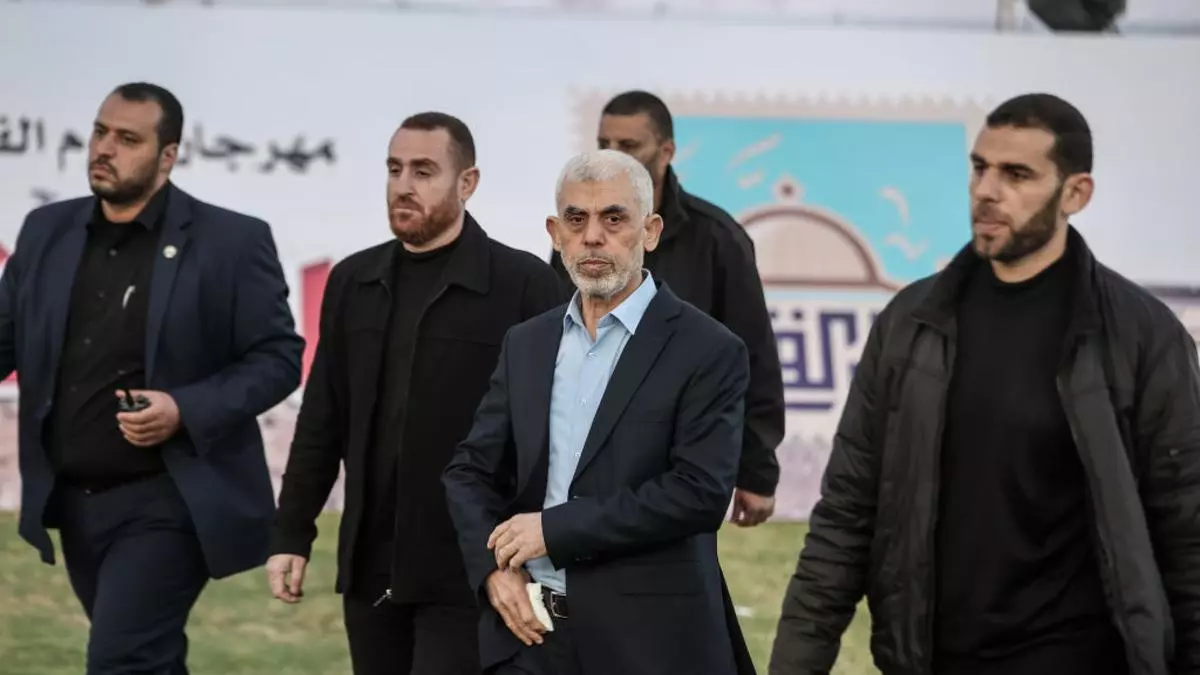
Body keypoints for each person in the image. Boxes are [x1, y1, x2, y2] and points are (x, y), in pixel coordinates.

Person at [769, 93, 1200, 675]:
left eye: (1016, 174)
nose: (987, 191)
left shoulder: (1142, 337)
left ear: (1076, 194)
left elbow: (1186, 531)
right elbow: (848, 512)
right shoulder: (911, 323)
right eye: (980, 168)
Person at [0, 82, 303, 674]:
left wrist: (184, 408)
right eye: (100, 132)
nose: (104, 149)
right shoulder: (46, 232)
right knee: (147, 662)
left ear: (168, 156)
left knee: (121, 660)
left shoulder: (231, 242)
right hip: (76, 502)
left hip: (170, 498)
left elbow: (278, 356)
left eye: (128, 139)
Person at [266, 112, 566, 675]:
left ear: (467, 182)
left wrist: (524, 555)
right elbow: (323, 419)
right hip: (371, 566)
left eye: (424, 171)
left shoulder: (524, 285)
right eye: (395, 169)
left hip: (471, 569)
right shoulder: (354, 282)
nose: (404, 185)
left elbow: (550, 437)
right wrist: (292, 533)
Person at [443, 148, 756, 675]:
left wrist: (556, 529)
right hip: (529, 642)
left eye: (614, 218)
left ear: (650, 230)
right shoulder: (527, 343)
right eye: (576, 219)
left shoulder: (709, 349)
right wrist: (492, 572)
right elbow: (469, 470)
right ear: (555, 232)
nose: (593, 236)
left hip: (647, 647)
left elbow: (699, 493)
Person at [551, 90, 784, 527]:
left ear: (667, 151)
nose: (613, 156)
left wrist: (757, 470)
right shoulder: (576, 238)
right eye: (604, 144)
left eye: (629, 146)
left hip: (683, 458)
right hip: (585, 451)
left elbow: (754, 356)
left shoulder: (719, 240)